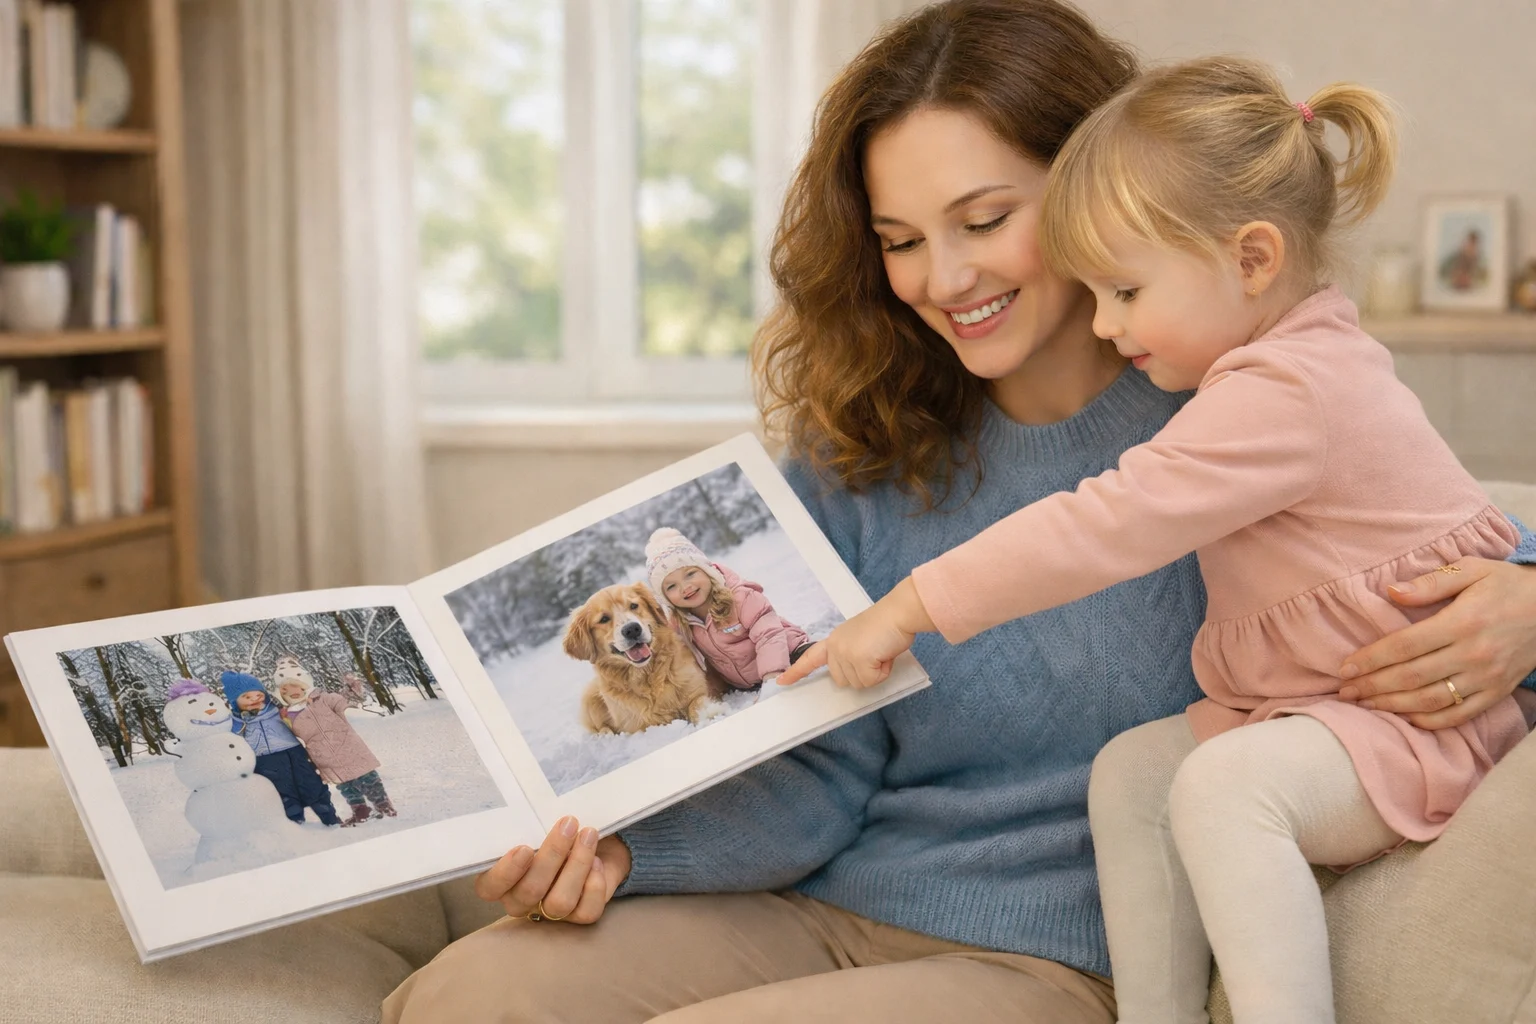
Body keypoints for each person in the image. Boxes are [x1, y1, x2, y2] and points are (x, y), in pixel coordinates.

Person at [382, 3, 1536, 1021]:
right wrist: (629, 854)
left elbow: (1425, 526)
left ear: (1095, 194)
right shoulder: (870, 450)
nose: (942, 278)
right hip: (833, 898)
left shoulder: (1235, 414)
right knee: (466, 996)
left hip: (1049, 958)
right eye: (898, 240)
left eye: (984, 220)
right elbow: (819, 770)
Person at [777, 56, 1529, 1024]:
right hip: (1321, 712)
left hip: (1399, 725)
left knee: (1222, 790)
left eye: (1125, 292)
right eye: (901, 238)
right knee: (1135, 771)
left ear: (1253, 259)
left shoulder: (1285, 393)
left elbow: (1108, 521)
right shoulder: (1284, 365)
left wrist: (913, 606)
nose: (1106, 321)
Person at [644, 526, 814, 692]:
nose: (685, 587)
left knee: (811, 673)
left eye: (690, 574)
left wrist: (772, 676)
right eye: (671, 586)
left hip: (789, 653)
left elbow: (768, 635)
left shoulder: (740, 598)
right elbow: (675, 653)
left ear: (708, 571)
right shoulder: (681, 623)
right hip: (748, 682)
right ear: (665, 597)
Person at [274, 657, 397, 826]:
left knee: (368, 778)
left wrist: (353, 687)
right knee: (345, 785)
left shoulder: (323, 699)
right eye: (285, 689)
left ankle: (383, 805)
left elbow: (349, 701)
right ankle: (361, 810)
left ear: (304, 684)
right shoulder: (287, 715)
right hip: (324, 757)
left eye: (295, 684)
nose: (292, 691)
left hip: (349, 747)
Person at [220, 671, 340, 827]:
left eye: (258, 695)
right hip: (264, 760)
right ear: (235, 701)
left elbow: (300, 717)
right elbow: (231, 740)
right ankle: (295, 822)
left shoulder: (278, 709)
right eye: (247, 697)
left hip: (294, 752)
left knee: (312, 784)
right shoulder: (235, 721)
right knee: (283, 792)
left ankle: (329, 817)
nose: (254, 700)